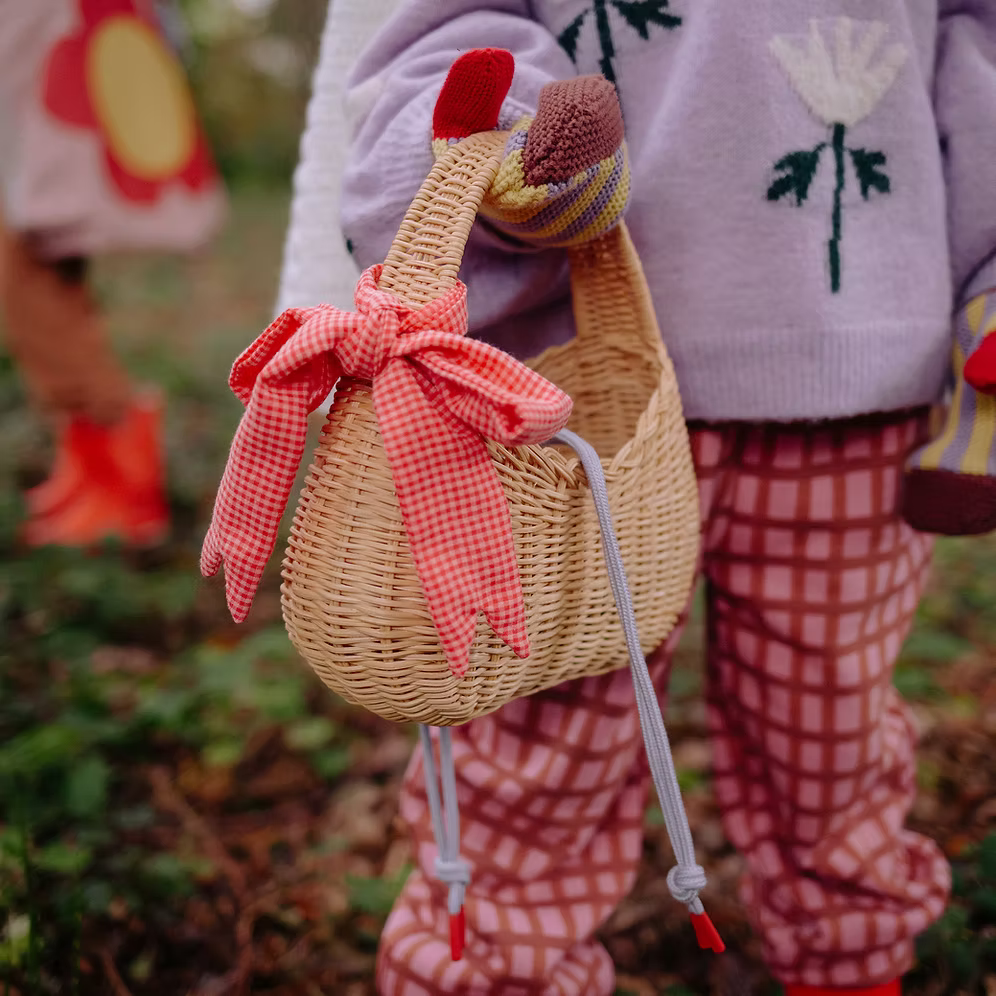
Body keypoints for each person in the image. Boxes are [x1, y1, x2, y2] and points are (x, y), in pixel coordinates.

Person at [277, 2, 996, 992]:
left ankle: (852, 964)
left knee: (829, 739)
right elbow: (445, 32)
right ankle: (502, 970)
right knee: (538, 750)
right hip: (571, 402)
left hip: (859, 379)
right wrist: (521, 145)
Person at [0, 0, 225, 547]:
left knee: (23, 262)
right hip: (50, 37)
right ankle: (93, 471)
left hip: (54, 39)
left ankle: (121, 484)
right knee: (44, 267)